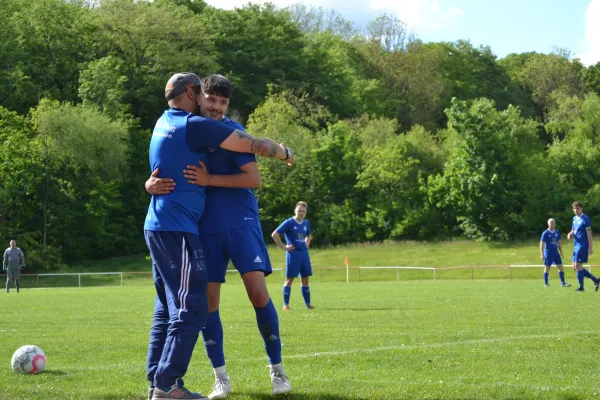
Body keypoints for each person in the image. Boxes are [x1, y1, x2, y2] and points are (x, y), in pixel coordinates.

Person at [145, 72, 294, 400]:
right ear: (197, 96)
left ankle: (277, 369)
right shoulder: (187, 127)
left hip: (239, 222)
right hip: (199, 229)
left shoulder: (225, 131)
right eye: (210, 99)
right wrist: (149, 185)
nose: (215, 106)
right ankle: (219, 379)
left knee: (255, 293)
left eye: (223, 102)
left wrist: (282, 152)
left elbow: (254, 178)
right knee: (202, 304)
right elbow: (163, 169)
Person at [272, 202, 313, 310]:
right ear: (295, 210)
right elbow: (275, 234)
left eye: (303, 211)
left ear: (306, 212)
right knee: (289, 279)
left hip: (304, 254)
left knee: (305, 279)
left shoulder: (306, 223)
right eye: (299, 210)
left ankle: (308, 304)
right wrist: (284, 247)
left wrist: (306, 244)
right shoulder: (289, 222)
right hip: (293, 254)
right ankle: (286, 305)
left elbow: (309, 236)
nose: (301, 213)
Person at [567, 201, 599, 292]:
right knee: (575, 267)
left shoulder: (586, 219)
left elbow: (589, 235)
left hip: (583, 245)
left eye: (577, 208)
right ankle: (596, 280)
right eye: (574, 208)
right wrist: (570, 234)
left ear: (581, 208)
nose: (576, 210)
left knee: (578, 266)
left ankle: (581, 288)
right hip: (576, 245)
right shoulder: (574, 219)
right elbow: (574, 230)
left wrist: (590, 248)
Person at [539, 218, 570, 287]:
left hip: (555, 252)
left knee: (560, 267)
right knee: (547, 267)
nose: (553, 224)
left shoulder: (557, 232)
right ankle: (546, 283)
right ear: (548, 224)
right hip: (548, 252)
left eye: (554, 223)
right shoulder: (545, 233)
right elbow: (542, 244)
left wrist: (561, 252)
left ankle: (563, 283)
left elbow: (559, 243)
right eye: (551, 223)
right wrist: (542, 254)